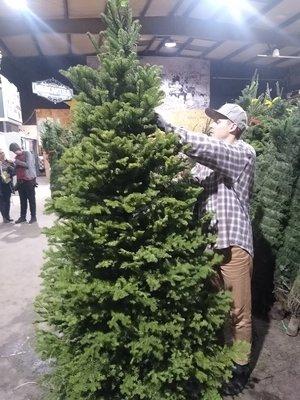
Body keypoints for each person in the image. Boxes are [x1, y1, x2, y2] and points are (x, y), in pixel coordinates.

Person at [157, 103, 256, 396]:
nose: (212, 123)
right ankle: (211, 360)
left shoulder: (243, 153)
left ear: (234, 127)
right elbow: (186, 181)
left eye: (219, 120)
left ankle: (239, 367)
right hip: (207, 245)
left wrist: (169, 128)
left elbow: (212, 150)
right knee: (211, 308)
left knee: (239, 311)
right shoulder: (204, 162)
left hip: (234, 243)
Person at [9, 143, 37, 224]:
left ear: (17, 148)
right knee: (22, 200)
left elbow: (29, 165)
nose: (14, 152)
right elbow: (15, 170)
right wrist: (9, 166)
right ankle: (23, 217)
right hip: (20, 182)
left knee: (31, 200)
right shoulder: (16, 157)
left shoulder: (27, 153)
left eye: (14, 150)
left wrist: (17, 162)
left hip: (29, 181)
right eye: (13, 152)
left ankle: (33, 217)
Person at [0, 149, 14, 223]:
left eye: (2, 152)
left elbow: (14, 171)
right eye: (0, 153)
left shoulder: (8, 162)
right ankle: (4, 217)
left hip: (7, 184)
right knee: (1, 202)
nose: (2, 154)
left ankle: (7, 216)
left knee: (7, 201)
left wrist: (9, 175)